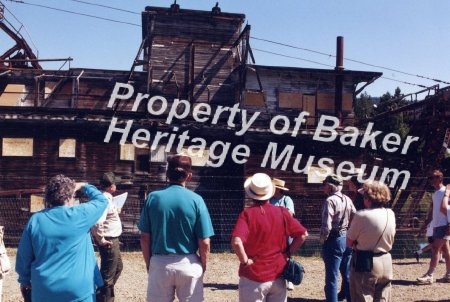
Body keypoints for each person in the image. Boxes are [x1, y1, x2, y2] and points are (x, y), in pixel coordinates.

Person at [16, 174, 108, 302]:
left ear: (48, 197)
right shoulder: (81, 215)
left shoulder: (36, 220)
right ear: (70, 197)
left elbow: (24, 256)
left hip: (44, 289)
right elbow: (102, 201)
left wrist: (24, 280)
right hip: (79, 290)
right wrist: (84, 186)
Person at [138, 153, 215, 302]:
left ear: (167, 174)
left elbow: (144, 237)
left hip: (160, 262)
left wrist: (150, 263)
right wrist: (203, 265)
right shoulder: (197, 200)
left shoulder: (153, 198)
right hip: (188, 262)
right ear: (189, 176)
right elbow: (204, 241)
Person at [231, 173, 308, 302]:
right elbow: (303, 234)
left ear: (251, 193)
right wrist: (288, 253)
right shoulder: (282, 212)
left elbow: (237, 241)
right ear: (270, 192)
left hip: (253, 276)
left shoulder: (247, 214)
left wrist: (245, 261)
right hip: (278, 274)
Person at [346, 181, 396, 301]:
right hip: (386, 260)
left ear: (368, 198)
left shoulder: (362, 215)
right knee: (383, 298)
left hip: (366, 261)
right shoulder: (390, 213)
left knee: (363, 296)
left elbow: (348, 241)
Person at [320, 174, 356, 302]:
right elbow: (355, 215)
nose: (323, 187)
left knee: (332, 277)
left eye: (324, 185)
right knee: (346, 275)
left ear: (330, 186)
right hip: (346, 238)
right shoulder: (347, 199)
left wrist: (323, 241)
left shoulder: (330, 201)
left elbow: (326, 226)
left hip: (333, 240)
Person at [91, 172, 123, 302]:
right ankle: (103, 297)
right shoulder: (104, 200)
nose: (116, 185)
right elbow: (97, 222)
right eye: (115, 183)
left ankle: (102, 294)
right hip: (109, 240)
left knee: (118, 268)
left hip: (113, 239)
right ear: (111, 186)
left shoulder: (107, 199)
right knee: (107, 276)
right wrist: (101, 239)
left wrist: (116, 210)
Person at [417, 170, 450, 284]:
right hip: (437, 225)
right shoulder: (435, 193)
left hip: (444, 225)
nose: (431, 180)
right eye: (430, 178)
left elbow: (447, 209)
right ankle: (449, 275)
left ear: (440, 179)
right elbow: (432, 211)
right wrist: (426, 224)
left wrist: (449, 225)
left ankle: (429, 275)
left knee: (435, 248)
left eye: (433, 178)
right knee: (445, 250)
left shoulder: (447, 191)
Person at [269, 178, 296, 290]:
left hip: (285, 232)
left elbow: (290, 215)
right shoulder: (270, 200)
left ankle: (289, 279)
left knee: (287, 255)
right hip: (272, 232)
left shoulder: (287, 199)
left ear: (278, 189)